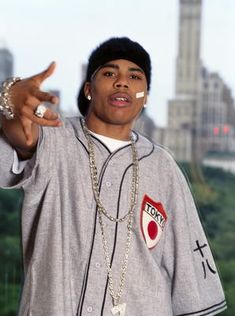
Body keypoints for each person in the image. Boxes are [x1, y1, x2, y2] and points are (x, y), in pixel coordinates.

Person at [0, 37, 227, 316]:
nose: (123, 82)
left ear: (145, 96)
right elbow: (21, 134)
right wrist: (10, 97)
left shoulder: (163, 166)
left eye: (135, 76)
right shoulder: (55, 137)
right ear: (88, 90)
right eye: (109, 73)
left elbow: (191, 279)